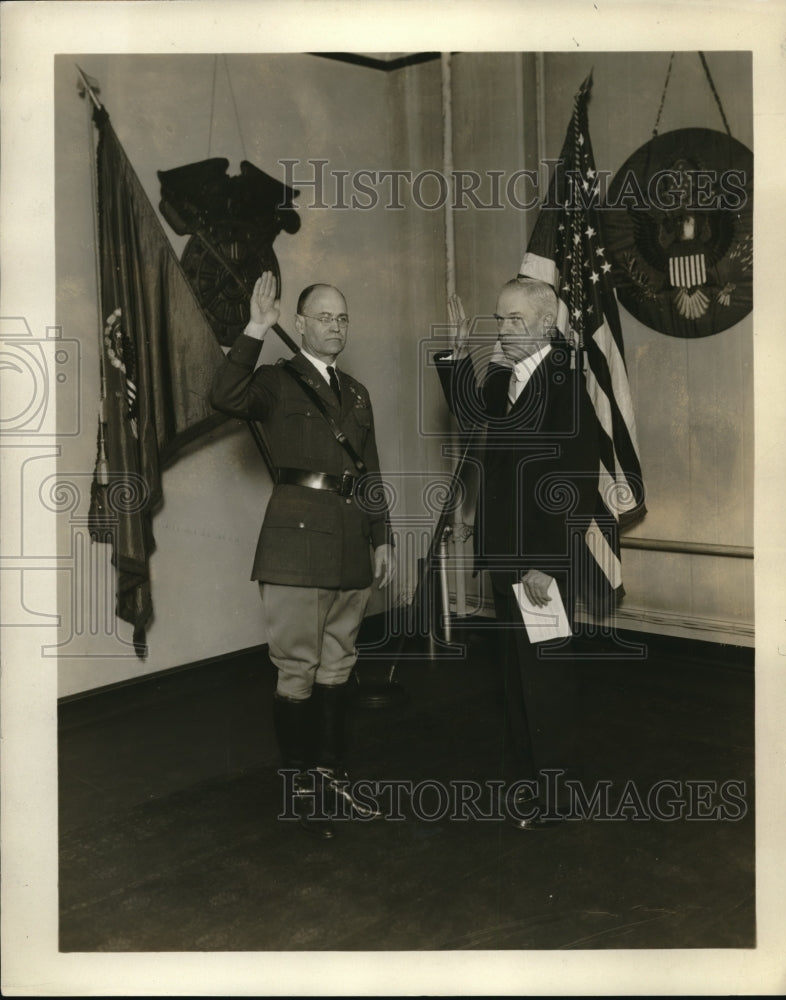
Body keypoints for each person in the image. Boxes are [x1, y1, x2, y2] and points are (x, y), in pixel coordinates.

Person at [210, 271, 394, 840]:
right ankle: (300, 789)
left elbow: (372, 471)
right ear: (300, 323)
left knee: (339, 661)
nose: (335, 327)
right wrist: (254, 328)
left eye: (342, 318)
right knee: (298, 666)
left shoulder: (357, 392)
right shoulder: (275, 380)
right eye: (323, 317)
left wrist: (381, 535)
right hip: (295, 542)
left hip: (350, 544)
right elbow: (223, 396)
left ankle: (332, 775)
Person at [435, 277, 600, 830]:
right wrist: (458, 352)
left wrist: (545, 564)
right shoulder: (508, 378)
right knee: (516, 674)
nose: (502, 330)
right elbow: (470, 414)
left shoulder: (565, 383)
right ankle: (533, 781)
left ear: (546, 324)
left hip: (537, 562)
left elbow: (573, 479)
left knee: (545, 673)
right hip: (505, 555)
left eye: (514, 320)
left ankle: (557, 798)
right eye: (499, 319)